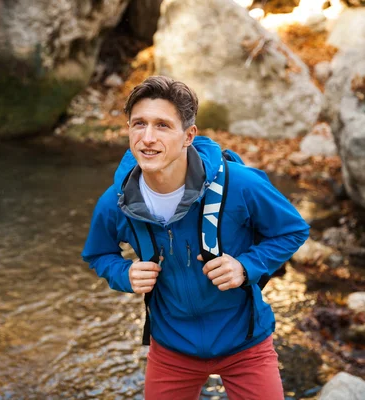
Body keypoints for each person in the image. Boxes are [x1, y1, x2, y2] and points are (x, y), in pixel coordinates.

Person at [82, 76, 309, 399]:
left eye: (162, 126)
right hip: (172, 347)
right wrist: (123, 273)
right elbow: (98, 254)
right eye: (139, 124)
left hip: (245, 342)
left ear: (189, 135)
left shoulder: (241, 185)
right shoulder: (115, 201)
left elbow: (293, 230)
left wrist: (246, 267)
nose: (147, 138)